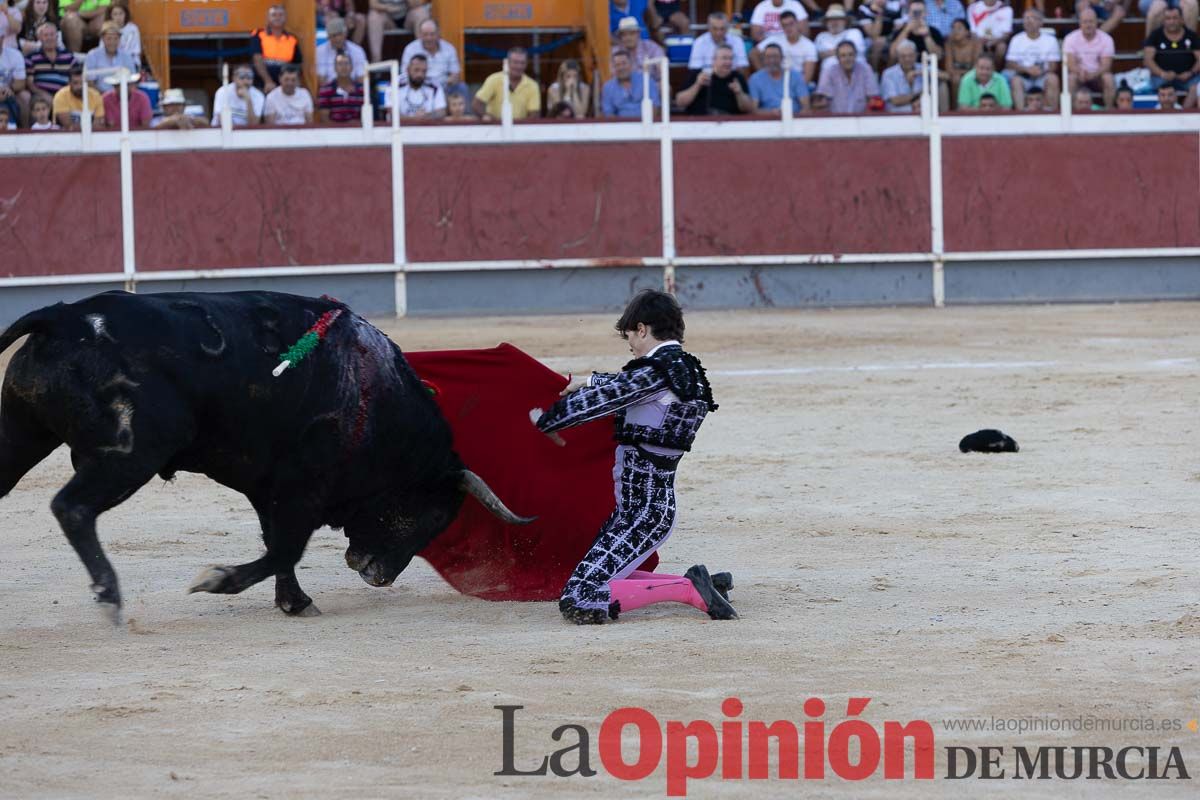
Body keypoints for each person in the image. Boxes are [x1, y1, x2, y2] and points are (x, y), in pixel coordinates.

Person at [531, 290, 733, 626]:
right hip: (647, 509)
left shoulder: (655, 371)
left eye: (630, 337)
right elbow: (633, 388)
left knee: (579, 598)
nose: (631, 346)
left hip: (640, 514)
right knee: (599, 577)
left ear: (642, 329)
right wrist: (591, 380)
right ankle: (705, 584)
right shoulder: (686, 371)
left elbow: (608, 398)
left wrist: (549, 420)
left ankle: (689, 590)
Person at [1143, 6, 1200, 109]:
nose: (1171, 21)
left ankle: (1184, 114)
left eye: (1175, 18)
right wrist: (1162, 73)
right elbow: (1148, 60)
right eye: (1168, 18)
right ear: (1163, 20)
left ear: (1182, 19)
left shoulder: (1191, 35)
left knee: (1196, 88)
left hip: (1187, 78)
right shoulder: (1155, 35)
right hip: (1161, 77)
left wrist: (1190, 72)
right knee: (1164, 90)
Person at [1005, 8, 1060, 112]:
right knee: (1015, 81)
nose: (1029, 21)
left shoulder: (1050, 40)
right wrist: (1027, 70)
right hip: (1023, 76)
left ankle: (1052, 112)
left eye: (1033, 18)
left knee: (1053, 79)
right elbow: (1010, 64)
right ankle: (1020, 113)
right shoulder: (1016, 39)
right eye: (1026, 18)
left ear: (1041, 22)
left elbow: (1053, 65)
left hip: (1043, 76)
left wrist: (1040, 71)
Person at [676, 43, 754, 114]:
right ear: (713, 60)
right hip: (699, 124)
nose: (728, 62)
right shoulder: (698, 74)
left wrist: (739, 93)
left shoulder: (737, 78)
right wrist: (697, 85)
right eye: (724, 58)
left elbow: (749, 109)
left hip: (730, 124)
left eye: (731, 58)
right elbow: (680, 102)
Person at [1063, 7, 1115, 108]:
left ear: (1096, 22)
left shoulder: (1106, 39)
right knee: (1071, 78)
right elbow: (1071, 64)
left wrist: (1093, 74)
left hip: (1098, 76)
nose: (1088, 25)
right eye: (1085, 22)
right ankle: (1071, 112)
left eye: (1091, 21)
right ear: (1080, 23)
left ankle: (1109, 112)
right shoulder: (1070, 38)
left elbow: (1106, 66)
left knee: (1108, 78)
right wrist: (1080, 72)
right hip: (1079, 75)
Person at [473, 46, 540, 120]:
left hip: (521, 129)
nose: (519, 66)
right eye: (515, 62)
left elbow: (534, 114)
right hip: (494, 128)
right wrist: (486, 117)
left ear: (526, 64)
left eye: (522, 63)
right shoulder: (494, 79)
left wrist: (521, 128)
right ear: (507, 62)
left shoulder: (532, 85)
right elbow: (477, 104)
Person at [401, 18, 464, 97]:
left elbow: (455, 73)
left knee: (462, 88)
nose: (429, 38)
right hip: (419, 85)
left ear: (438, 34)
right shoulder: (410, 49)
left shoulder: (449, 48)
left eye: (432, 34)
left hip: (444, 86)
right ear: (420, 34)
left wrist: (446, 83)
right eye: (425, 34)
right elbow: (404, 74)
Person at [750, 10, 818, 84]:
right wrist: (765, 75)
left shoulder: (809, 46)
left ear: (797, 24)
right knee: (754, 79)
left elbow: (807, 78)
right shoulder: (775, 39)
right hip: (775, 82)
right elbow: (753, 54)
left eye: (791, 24)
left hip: (798, 84)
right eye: (784, 25)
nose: (788, 28)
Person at [814, 39, 880, 112]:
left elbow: (873, 98)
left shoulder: (866, 69)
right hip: (835, 119)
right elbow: (822, 102)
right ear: (837, 58)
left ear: (855, 55)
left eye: (850, 54)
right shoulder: (829, 71)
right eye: (843, 55)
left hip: (862, 119)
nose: (847, 59)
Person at [251, 5, 302, 93]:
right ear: (268, 18)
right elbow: (257, 59)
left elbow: (297, 64)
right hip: (263, 83)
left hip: (285, 83)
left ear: (285, 18)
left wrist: (294, 82)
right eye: (274, 15)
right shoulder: (259, 35)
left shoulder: (292, 39)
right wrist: (268, 81)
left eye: (280, 15)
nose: (277, 18)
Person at [748, 41, 810, 112]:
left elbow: (806, 107)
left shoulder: (796, 76)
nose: (772, 60)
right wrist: (771, 113)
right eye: (768, 57)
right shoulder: (755, 79)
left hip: (795, 118)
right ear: (763, 59)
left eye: (775, 56)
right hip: (767, 120)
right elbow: (754, 110)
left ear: (782, 58)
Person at [601, 48, 661, 117]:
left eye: (624, 63)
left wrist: (646, 126)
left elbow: (655, 106)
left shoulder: (646, 80)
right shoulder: (608, 87)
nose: (621, 68)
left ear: (631, 64)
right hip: (620, 126)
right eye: (617, 65)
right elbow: (608, 113)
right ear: (613, 68)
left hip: (646, 124)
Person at [25, 21, 75, 99]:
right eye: (45, 35)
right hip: (41, 97)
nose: (49, 38)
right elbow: (30, 84)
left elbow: (75, 79)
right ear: (40, 38)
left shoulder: (68, 57)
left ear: (57, 36)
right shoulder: (31, 58)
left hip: (65, 96)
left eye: (52, 34)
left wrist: (63, 95)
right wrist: (43, 95)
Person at [387, 52, 445, 119]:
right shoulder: (394, 84)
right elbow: (391, 114)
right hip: (401, 127)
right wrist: (415, 119)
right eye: (416, 70)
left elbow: (442, 112)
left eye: (424, 71)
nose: (420, 75)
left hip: (426, 126)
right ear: (408, 70)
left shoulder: (434, 86)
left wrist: (426, 117)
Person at [83, 21, 137, 90]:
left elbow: (132, 81)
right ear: (102, 38)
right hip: (99, 96)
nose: (112, 42)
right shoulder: (93, 55)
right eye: (109, 38)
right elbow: (90, 82)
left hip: (123, 96)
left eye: (116, 38)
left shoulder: (126, 56)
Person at [858, 0, 909, 70]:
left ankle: (888, 74)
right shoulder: (865, 8)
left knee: (898, 45)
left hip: (890, 38)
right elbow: (873, 35)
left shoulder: (894, 7)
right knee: (878, 42)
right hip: (868, 39)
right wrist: (879, 15)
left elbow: (897, 29)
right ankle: (874, 72)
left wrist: (888, 38)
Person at [316, 16, 367, 84]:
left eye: (340, 34)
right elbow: (321, 80)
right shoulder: (319, 51)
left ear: (345, 33)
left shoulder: (358, 51)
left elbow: (362, 78)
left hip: (353, 90)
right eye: (334, 35)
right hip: (329, 91)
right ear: (328, 36)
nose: (337, 39)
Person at [52, 63, 103, 129]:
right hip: (64, 137)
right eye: (75, 83)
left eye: (82, 83)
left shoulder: (96, 95)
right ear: (69, 83)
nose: (79, 86)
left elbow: (98, 126)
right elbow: (68, 126)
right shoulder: (61, 96)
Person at [318, 52, 364, 124]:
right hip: (333, 132)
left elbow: (366, 117)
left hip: (358, 131)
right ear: (335, 68)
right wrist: (342, 128)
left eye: (346, 63)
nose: (343, 67)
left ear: (352, 67)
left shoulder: (362, 89)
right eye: (340, 64)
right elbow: (324, 118)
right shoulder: (325, 90)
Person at [966, 0, 1012, 67]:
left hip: (998, 41)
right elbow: (972, 32)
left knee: (1002, 47)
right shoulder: (973, 7)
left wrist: (993, 42)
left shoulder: (1006, 9)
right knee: (978, 45)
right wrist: (980, 39)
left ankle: (995, 71)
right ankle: (978, 71)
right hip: (979, 40)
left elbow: (1006, 34)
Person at [882, 38, 923, 112]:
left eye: (910, 55)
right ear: (898, 57)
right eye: (903, 56)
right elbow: (895, 101)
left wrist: (921, 73)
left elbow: (946, 76)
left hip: (921, 111)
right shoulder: (888, 74)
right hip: (897, 115)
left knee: (942, 85)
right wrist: (918, 95)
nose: (907, 59)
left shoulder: (922, 68)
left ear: (916, 55)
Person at [0, 37, 27, 127]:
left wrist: (9, 89)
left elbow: (21, 82)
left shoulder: (14, 55)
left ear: (2, 38)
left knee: (24, 96)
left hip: (8, 93)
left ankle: (22, 130)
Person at [103, 0, 139, 67]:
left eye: (121, 13)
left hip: (130, 63)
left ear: (125, 14)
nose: (118, 17)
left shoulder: (132, 29)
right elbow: (102, 50)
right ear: (111, 16)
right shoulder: (106, 29)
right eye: (115, 14)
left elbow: (133, 52)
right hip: (110, 64)